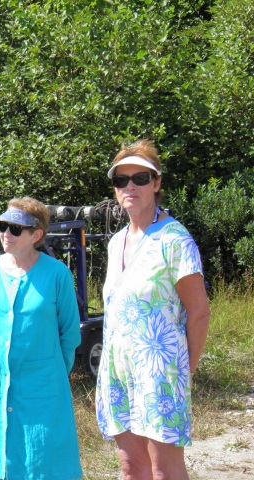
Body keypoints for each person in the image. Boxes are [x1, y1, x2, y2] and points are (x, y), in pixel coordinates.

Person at [96, 139, 211, 479]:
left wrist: (184, 372)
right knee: (131, 468)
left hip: (161, 372)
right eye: (121, 180)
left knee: (164, 471)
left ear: (156, 183)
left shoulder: (174, 240)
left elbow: (199, 312)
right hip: (118, 373)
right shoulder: (117, 241)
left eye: (140, 178)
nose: (130, 186)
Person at [0, 197, 83, 480]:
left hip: (44, 387)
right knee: (2, 462)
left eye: (15, 229)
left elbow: (69, 334)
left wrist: (52, 373)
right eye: (2, 226)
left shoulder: (57, 274)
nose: (5, 234)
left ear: (36, 235)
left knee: (44, 463)